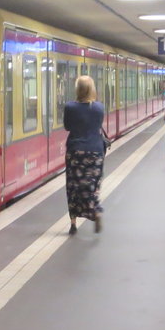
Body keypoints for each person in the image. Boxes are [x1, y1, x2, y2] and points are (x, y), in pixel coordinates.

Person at [63, 75, 106, 234]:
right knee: (92, 184)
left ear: (77, 89)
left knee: (73, 186)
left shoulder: (70, 107)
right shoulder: (99, 107)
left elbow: (67, 127)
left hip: (75, 150)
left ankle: (73, 224)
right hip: (95, 150)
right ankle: (95, 210)